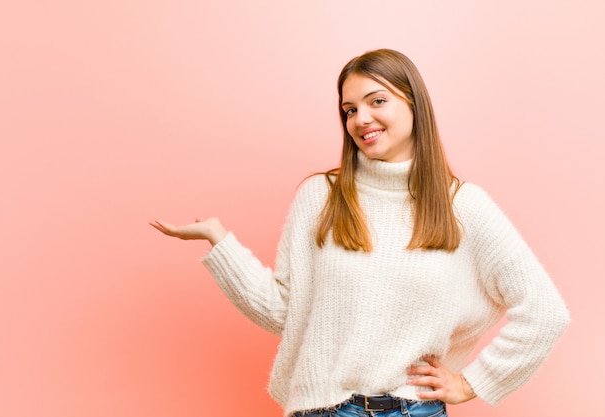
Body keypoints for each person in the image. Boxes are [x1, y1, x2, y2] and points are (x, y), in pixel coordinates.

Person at [150, 49, 570, 417]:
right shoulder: (322, 196)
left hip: (414, 411)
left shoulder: (463, 204)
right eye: (349, 109)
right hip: (323, 409)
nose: (361, 119)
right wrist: (219, 241)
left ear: (414, 104)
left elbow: (545, 311)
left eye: (377, 101)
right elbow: (285, 312)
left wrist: (473, 383)